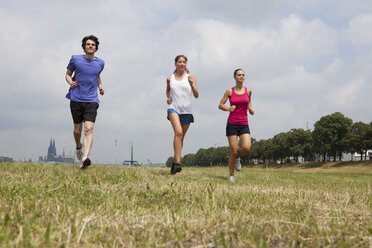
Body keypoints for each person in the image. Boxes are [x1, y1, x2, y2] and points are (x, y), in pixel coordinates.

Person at [65, 35, 105, 169]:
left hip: (91, 100)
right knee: (78, 130)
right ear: (84, 46)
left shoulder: (100, 63)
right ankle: (78, 147)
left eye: (93, 45)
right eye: (88, 44)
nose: (90, 46)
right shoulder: (75, 59)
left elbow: (97, 75)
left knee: (89, 129)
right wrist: (71, 82)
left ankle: (85, 158)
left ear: (96, 48)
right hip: (76, 98)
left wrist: (100, 86)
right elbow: (67, 74)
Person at [218, 69, 254, 182]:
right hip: (232, 124)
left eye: (243, 75)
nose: (241, 77)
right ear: (234, 77)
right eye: (239, 75)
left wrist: (250, 108)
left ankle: (238, 158)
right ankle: (231, 175)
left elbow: (248, 101)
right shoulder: (229, 91)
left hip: (244, 123)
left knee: (246, 147)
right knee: (233, 151)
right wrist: (228, 108)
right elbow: (220, 105)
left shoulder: (249, 91)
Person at [166, 55, 199, 174]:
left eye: (184, 62)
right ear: (175, 64)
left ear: (186, 64)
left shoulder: (190, 77)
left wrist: (192, 84)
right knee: (178, 133)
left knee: (181, 138)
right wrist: (168, 99)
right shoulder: (170, 78)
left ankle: (174, 163)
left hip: (187, 111)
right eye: (179, 62)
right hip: (173, 109)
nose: (181, 64)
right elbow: (168, 90)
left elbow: (196, 95)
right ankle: (178, 163)